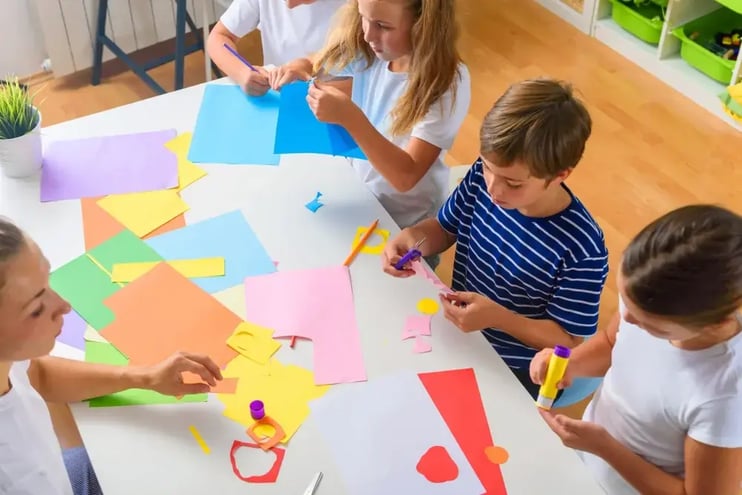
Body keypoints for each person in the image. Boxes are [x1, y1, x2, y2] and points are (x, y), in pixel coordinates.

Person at [382, 78, 609, 398]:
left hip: (515, 367)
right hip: (456, 333)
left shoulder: (582, 248)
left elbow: (568, 340)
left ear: (561, 175)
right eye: (488, 168)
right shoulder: (481, 176)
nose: (493, 189)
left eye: (513, 184)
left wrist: (498, 318)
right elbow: (446, 229)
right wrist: (414, 237)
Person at [0, 218, 225, 494]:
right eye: (36, 308)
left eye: (48, 282)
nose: (63, 305)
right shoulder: (15, 473)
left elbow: (36, 374)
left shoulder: (7, 362)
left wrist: (144, 377)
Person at [531, 204, 742, 495]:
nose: (628, 319)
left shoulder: (726, 395)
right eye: (624, 301)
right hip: (584, 463)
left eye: (650, 325)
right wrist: (571, 365)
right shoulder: (645, 292)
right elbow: (612, 341)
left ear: (713, 322)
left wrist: (606, 448)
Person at [269, 0, 472, 236]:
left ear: (422, 25)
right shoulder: (372, 48)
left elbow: (406, 176)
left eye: (383, 26)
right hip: (363, 200)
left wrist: (350, 117)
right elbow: (324, 60)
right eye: (363, 17)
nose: (368, 34)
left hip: (407, 224)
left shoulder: (446, 82)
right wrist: (301, 64)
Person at [206, 0, 346, 96]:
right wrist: (242, 72)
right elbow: (218, 37)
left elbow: (363, 85)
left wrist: (311, 74)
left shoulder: (359, 8)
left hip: (340, 106)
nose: (289, 5)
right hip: (279, 100)